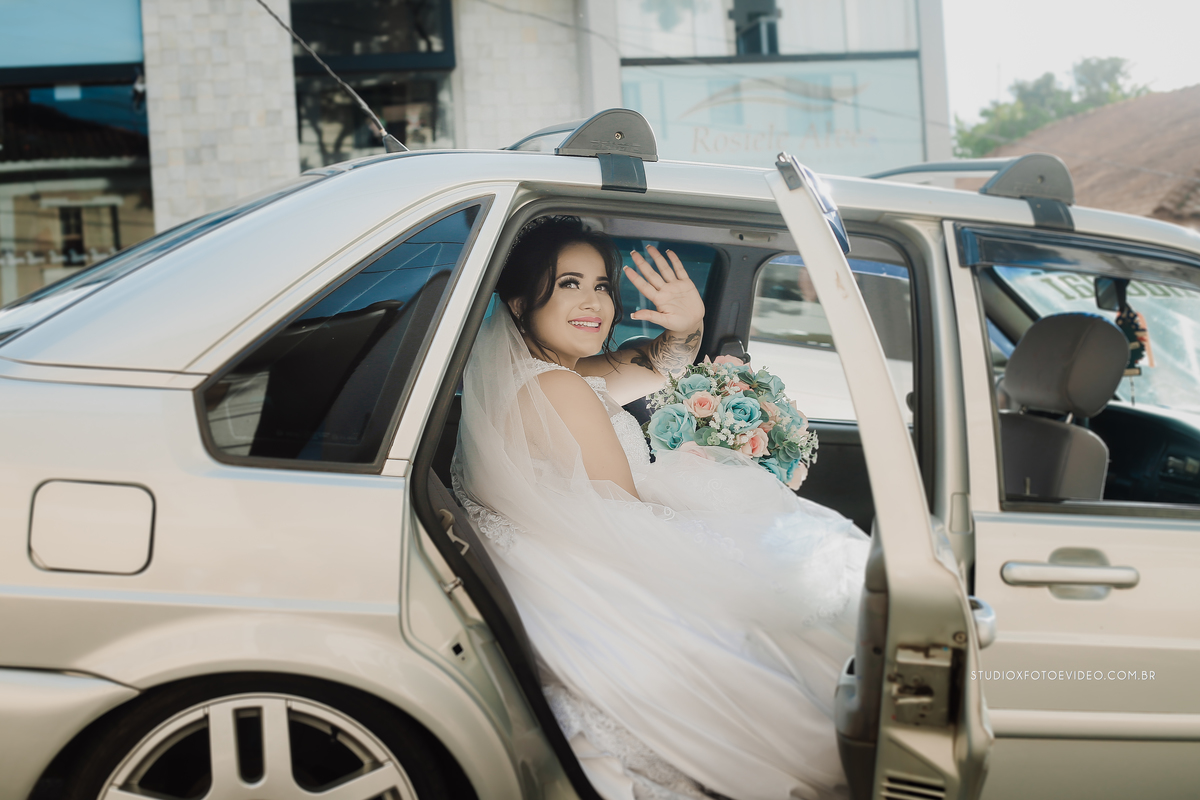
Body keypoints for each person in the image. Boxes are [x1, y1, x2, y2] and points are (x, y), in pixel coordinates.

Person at [452, 216, 869, 800]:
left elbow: (654, 365)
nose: (593, 302)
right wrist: (708, 482)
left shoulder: (551, 377)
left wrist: (688, 325)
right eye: (569, 284)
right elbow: (624, 515)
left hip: (571, 553)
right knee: (803, 595)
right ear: (519, 303)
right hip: (603, 561)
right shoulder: (557, 389)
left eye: (601, 285)